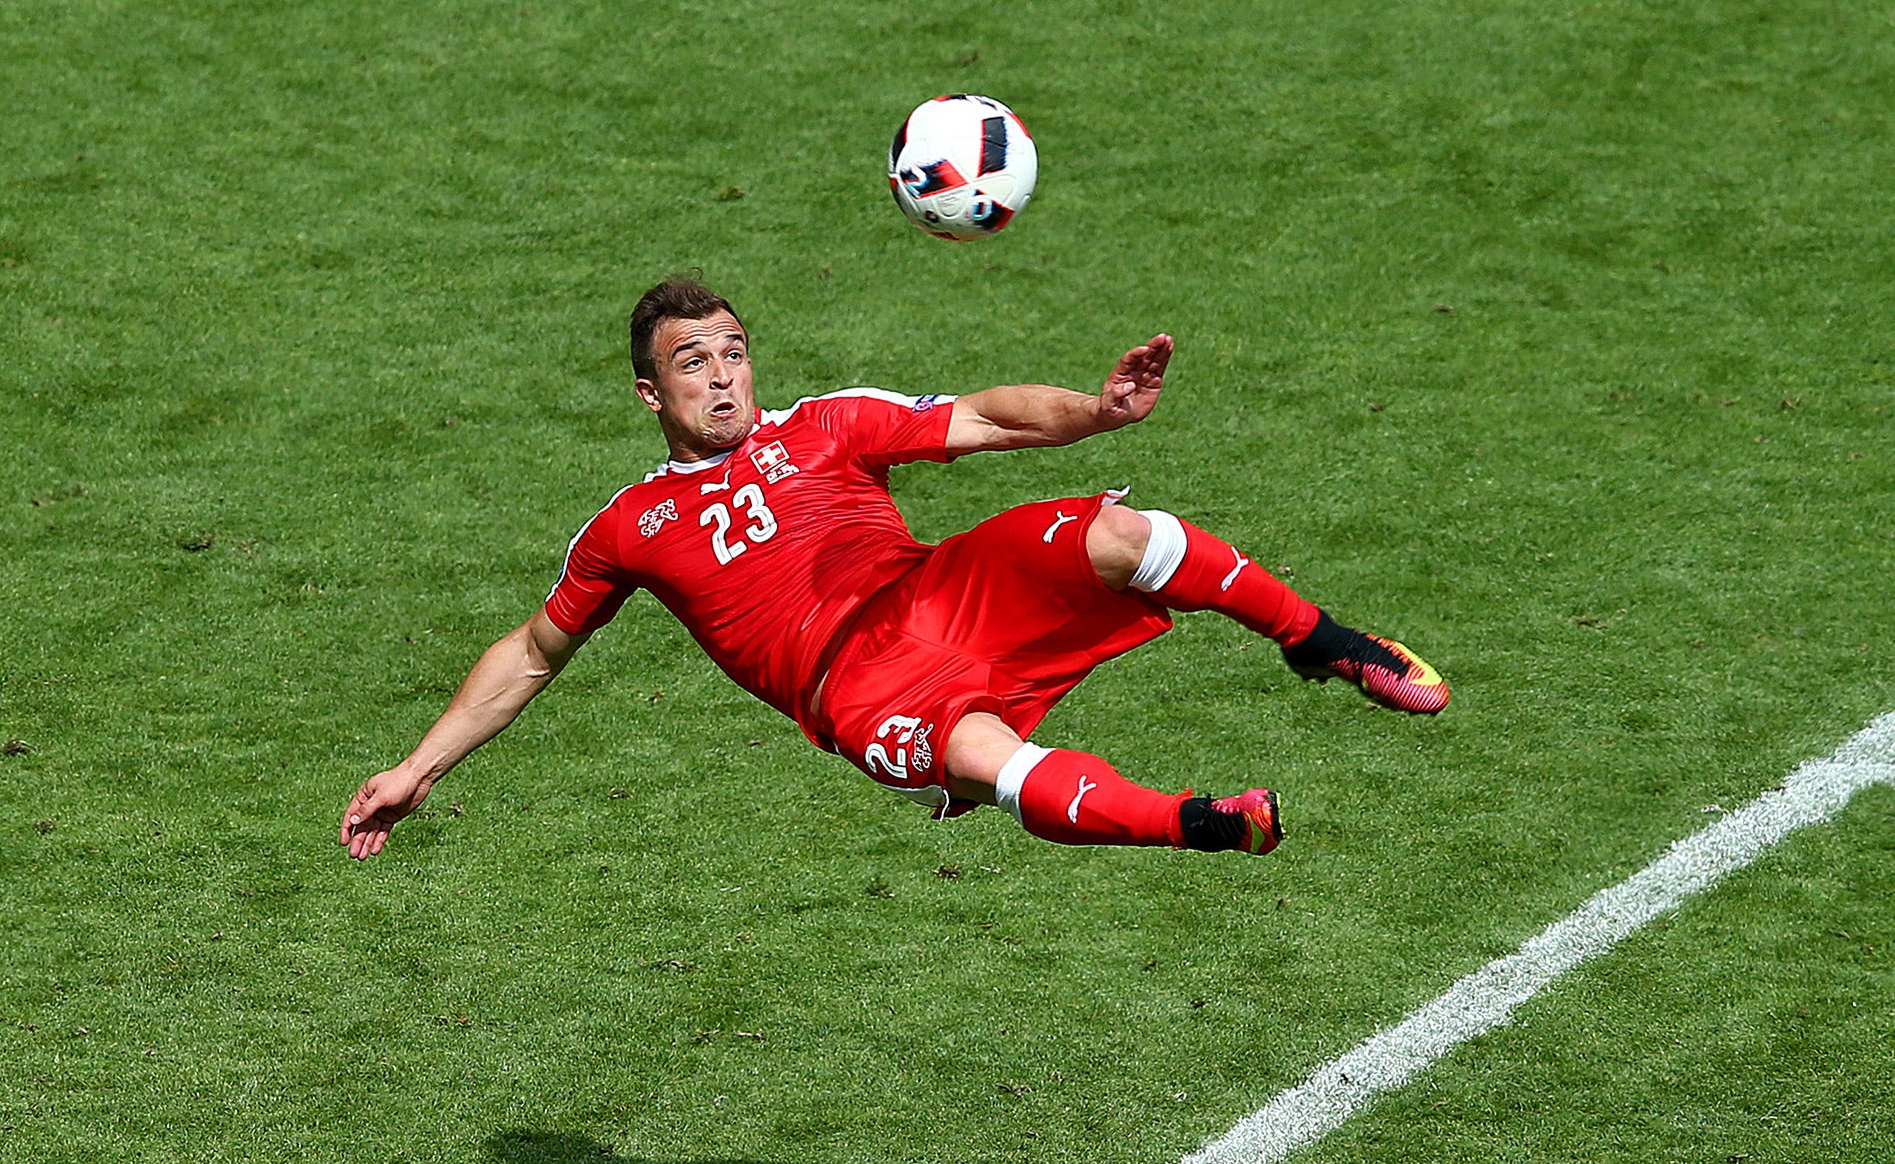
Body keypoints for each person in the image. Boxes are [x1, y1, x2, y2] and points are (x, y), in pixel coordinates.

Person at [340, 275, 1447, 862]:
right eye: (692, 363)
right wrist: (419, 766)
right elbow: (533, 654)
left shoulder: (825, 423)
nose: (721, 377)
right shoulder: (628, 527)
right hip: (852, 684)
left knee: (1128, 535)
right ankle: (1200, 822)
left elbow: (978, 418)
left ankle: (1321, 644)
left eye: (732, 352)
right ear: (650, 395)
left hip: (936, 590)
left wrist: (1094, 413)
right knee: (992, 761)